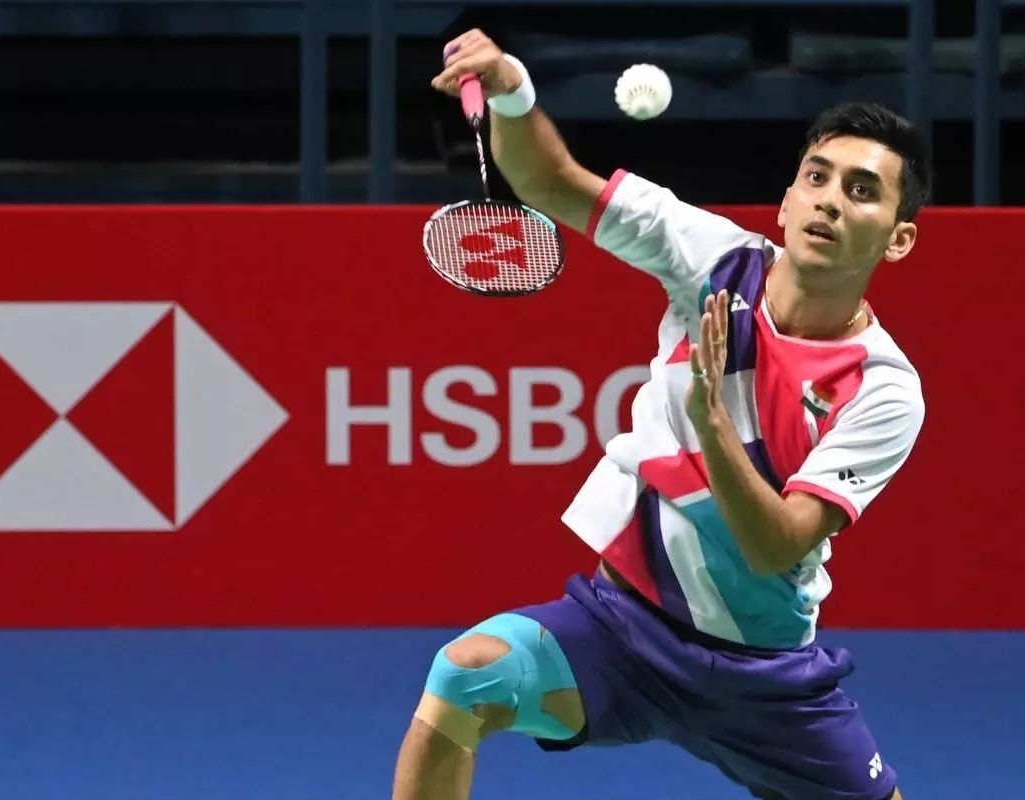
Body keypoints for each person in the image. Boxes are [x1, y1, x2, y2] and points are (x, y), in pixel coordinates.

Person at [392, 28, 929, 800]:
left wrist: (712, 427)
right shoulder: (710, 258)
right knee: (465, 676)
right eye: (817, 178)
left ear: (898, 239)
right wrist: (511, 89)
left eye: (862, 191)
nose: (830, 202)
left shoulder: (884, 388)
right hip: (620, 631)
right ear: (786, 201)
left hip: (761, 676)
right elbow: (549, 180)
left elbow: (776, 546)